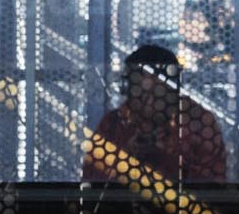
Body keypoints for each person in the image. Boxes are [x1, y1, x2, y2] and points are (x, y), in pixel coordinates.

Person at [85, 44, 227, 186]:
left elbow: (212, 186)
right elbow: (92, 183)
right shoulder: (114, 123)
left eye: (157, 95)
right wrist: (125, 157)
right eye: (141, 96)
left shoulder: (196, 123)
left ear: (173, 90)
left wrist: (165, 157)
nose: (149, 103)